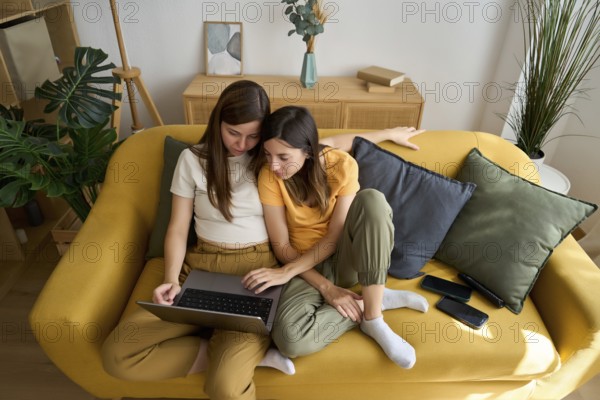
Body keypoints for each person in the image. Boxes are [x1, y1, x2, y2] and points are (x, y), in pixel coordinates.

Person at [102, 80, 294, 400]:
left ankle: (232, 360)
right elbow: (177, 228)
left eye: (253, 135)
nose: (242, 144)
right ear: (218, 120)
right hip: (201, 269)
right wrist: (170, 279)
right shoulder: (192, 160)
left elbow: (319, 147)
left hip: (255, 273)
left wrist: (383, 136)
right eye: (233, 132)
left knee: (225, 389)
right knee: (116, 355)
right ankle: (227, 355)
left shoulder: (272, 159)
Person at [242, 106, 429, 369]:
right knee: (289, 341)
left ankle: (373, 318)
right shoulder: (270, 176)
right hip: (303, 266)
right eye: (268, 154)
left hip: (343, 258)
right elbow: (283, 247)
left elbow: (333, 236)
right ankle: (374, 299)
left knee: (372, 200)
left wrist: (390, 133)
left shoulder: (341, 165)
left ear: (308, 150)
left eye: (283, 157)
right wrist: (325, 288)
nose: (274, 165)